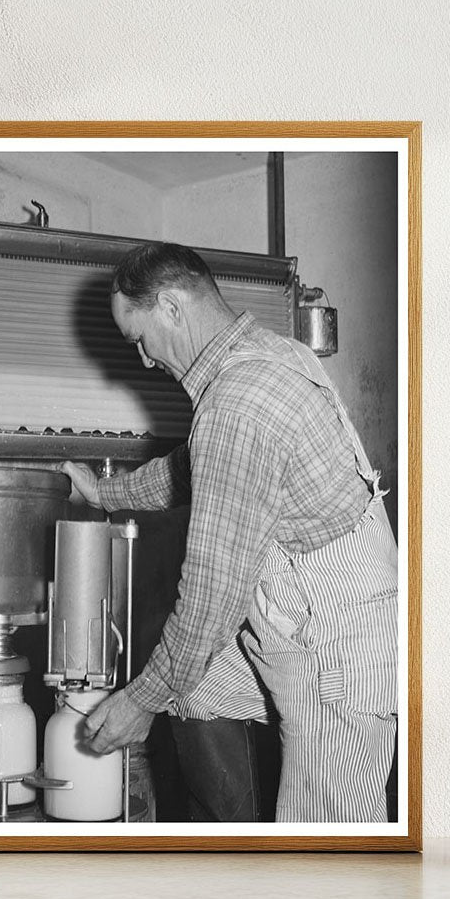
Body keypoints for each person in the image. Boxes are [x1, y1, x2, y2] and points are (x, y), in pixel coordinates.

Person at [61, 241, 398, 823]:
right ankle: (240, 847)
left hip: (338, 651)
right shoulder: (271, 354)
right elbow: (197, 469)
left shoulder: (236, 404)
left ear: (170, 306)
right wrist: (105, 493)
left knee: (320, 855)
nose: (143, 361)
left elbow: (213, 595)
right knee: (194, 688)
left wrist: (138, 701)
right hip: (296, 617)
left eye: (138, 339)